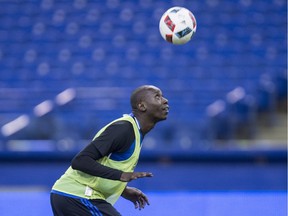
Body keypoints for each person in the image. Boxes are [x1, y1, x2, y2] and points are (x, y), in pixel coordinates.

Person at [50, 85, 169, 216]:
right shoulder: (124, 129)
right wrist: (121, 175)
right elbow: (80, 161)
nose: (165, 100)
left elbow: (104, 164)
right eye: (157, 97)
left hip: (69, 196)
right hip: (77, 196)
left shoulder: (135, 132)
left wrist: (124, 190)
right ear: (142, 106)